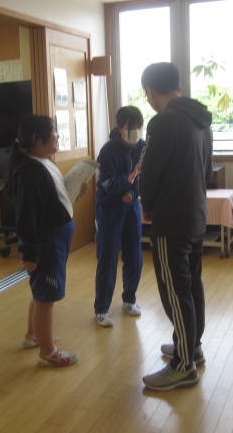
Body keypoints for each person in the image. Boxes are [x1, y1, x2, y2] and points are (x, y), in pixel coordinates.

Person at [139, 62, 213, 390]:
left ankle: (183, 366)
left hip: (170, 219)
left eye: (147, 94)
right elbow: (207, 170)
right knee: (191, 285)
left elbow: (149, 173)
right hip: (196, 214)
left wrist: (147, 205)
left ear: (152, 91)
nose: (148, 99)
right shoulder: (201, 121)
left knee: (174, 291)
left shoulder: (163, 122)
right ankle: (191, 347)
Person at [6, 115, 87, 367]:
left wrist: (75, 192)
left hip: (56, 237)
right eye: (53, 133)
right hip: (47, 241)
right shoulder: (28, 172)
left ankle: (34, 335)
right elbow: (26, 216)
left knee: (41, 292)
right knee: (46, 297)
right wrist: (29, 253)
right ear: (36, 139)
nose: (57, 137)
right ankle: (48, 351)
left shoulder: (42, 162)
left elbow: (54, 200)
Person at [93, 106, 145, 327]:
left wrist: (132, 192)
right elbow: (107, 183)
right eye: (132, 129)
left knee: (134, 255)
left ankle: (129, 300)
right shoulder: (108, 151)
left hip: (131, 206)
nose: (136, 134)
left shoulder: (141, 147)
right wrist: (128, 180)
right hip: (110, 209)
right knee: (108, 257)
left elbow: (144, 176)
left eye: (139, 129)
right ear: (121, 127)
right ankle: (101, 309)